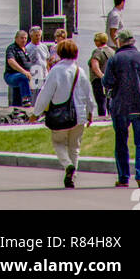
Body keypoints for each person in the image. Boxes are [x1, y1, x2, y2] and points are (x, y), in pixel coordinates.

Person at [30, 39, 93, 187]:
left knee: (58, 142)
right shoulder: (80, 71)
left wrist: (36, 112)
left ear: (60, 53)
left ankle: (67, 165)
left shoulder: (56, 71)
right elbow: (88, 95)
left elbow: (46, 93)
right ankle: (73, 175)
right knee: (75, 147)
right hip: (79, 115)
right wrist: (90, 112)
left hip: (60, 115)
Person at [102, 29, 140, 188]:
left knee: (121, 142)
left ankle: (124, 176)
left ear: (120, 41)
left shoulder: (114, 59)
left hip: (120, 107)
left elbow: (107, 82)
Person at [3, 29, 33, 107]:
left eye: (25, 38)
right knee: (23, 77)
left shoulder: (25, 49)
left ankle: (17, 106)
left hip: (25, 78)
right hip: (11, 75)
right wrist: (24, 72)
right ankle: (26, 99)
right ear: (16, 38)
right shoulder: (12, 48)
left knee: (17, 94)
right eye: (22, 38)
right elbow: (11, 61)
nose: (24, 40)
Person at [88, 33, 114, 118]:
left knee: (101, 101)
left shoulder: (97, 52)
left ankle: (102, 118)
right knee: (109, 100)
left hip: (98, 80)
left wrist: (102, 77)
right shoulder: (112, 51)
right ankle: (111, 117)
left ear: (99, 41)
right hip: (110, 79)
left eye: (95, 40)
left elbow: (95, 67)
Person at [25, 25, 50, 101]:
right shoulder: (27, 48)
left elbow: (47, 60)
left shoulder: (44, 47)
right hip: (34, 76)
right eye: (36, 35)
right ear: (31, 36)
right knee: (34, 98)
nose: (38, 37)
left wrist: (48, 72)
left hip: (44, 75)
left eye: (39, 35)